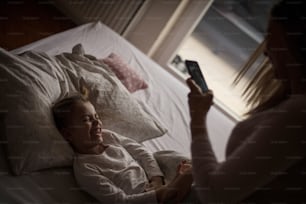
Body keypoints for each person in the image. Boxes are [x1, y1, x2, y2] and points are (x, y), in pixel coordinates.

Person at [186, 0, 306, 203]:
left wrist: (197, 119)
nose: (266, 51)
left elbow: (215, 194)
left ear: (293, 43)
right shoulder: (293, 102)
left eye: (271, 37)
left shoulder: (299, 113)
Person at [52, 94, 194, 204]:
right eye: (86, 120)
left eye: (96, 116)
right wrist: (159, 194)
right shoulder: (85, 169)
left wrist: (156, 178)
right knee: (194, 173)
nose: (97, 122)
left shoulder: (108, 136)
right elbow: (120, 201)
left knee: (165, 156)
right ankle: (177, 186)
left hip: (155, 182)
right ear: (68, 134)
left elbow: (141, 152)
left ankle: (178, 183)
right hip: (142, 199)